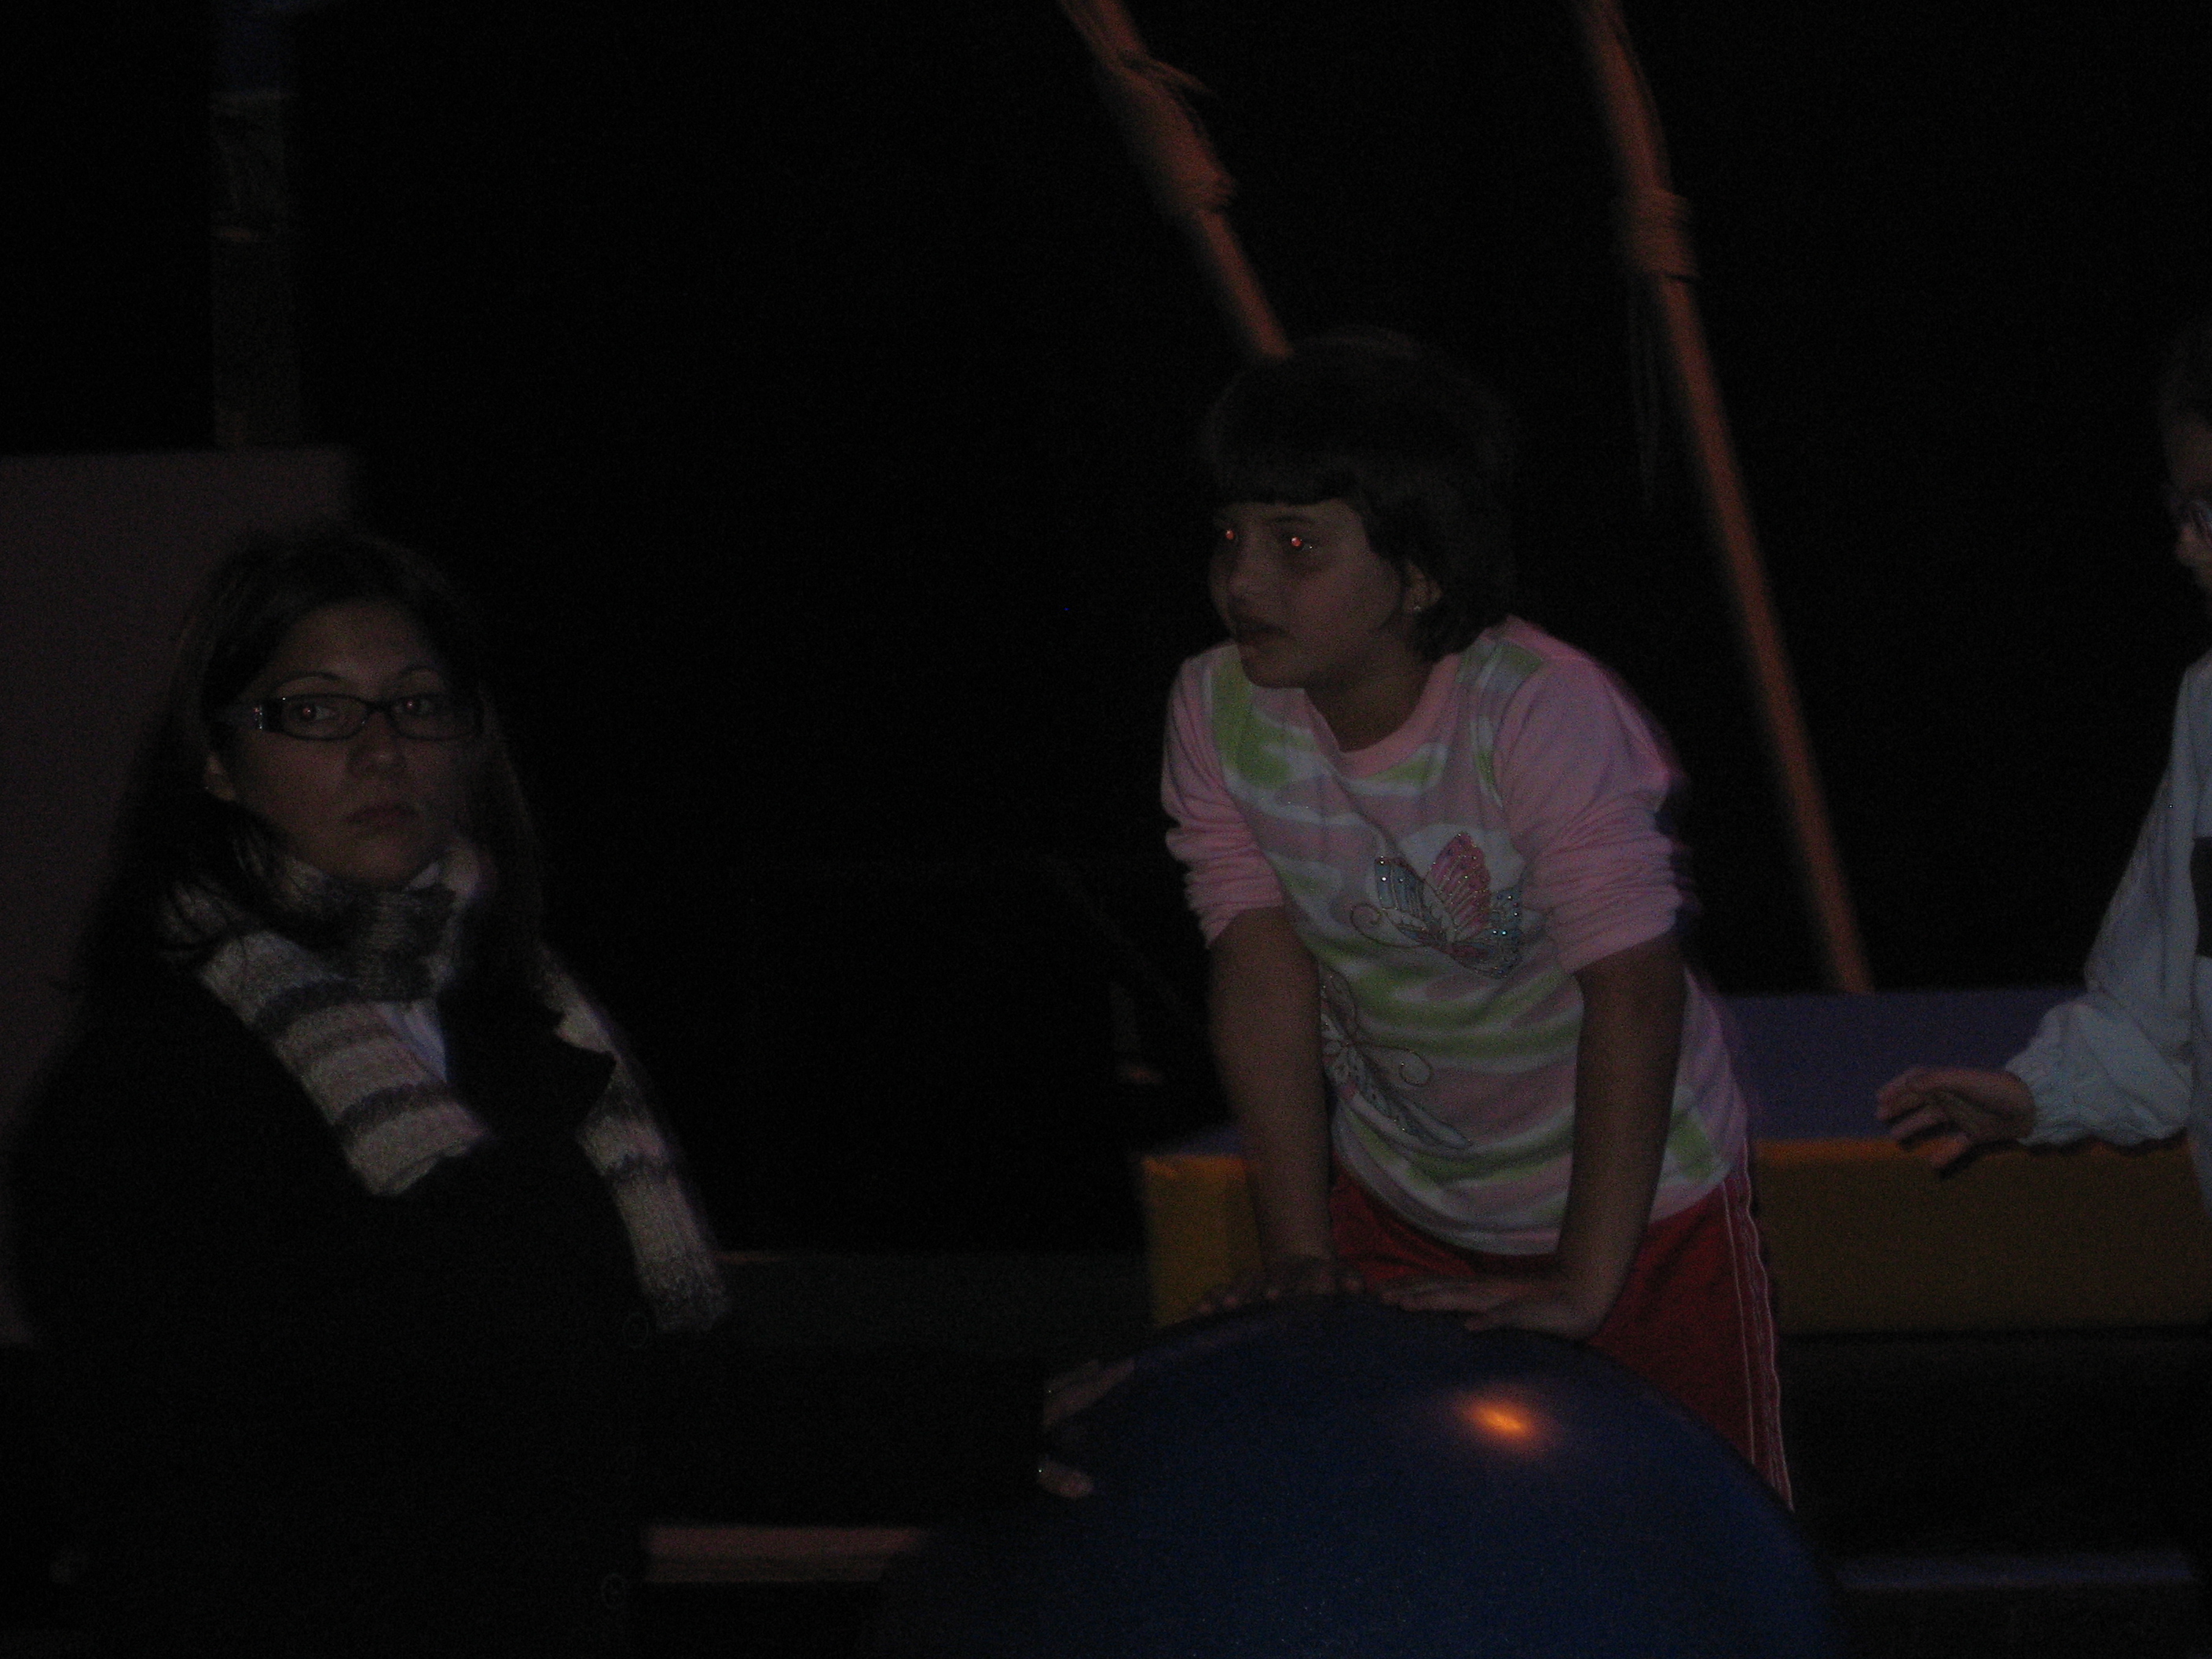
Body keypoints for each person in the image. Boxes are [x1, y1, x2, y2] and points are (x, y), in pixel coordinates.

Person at [9, 525, 729, 1657]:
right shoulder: (152, 1085)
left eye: (417, 705)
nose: (381, 750)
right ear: (217, 761)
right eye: (315, 711)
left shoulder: (533, 1028)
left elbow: (625, 1398)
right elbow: (185, 1511)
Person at [1159, 328, 1787, 1494]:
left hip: (1636, 1210)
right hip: (1405, 1198)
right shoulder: (1216, 707)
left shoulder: (1537, 710)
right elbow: (1259, 965)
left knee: (1694, 1522)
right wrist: (1299, 1249)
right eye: (1230, 535)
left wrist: (1586, 1283)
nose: (1241, 581)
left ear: (1422, 574)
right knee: (1431, 1521)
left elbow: (1633, 989)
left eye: (1296, 544)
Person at [1877, 317, 2212, 1188]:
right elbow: (2157, 1024)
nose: (2185, 543)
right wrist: (2038, 1094)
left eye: (2209, 510)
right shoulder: (2207, 708)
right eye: (2181, 509)